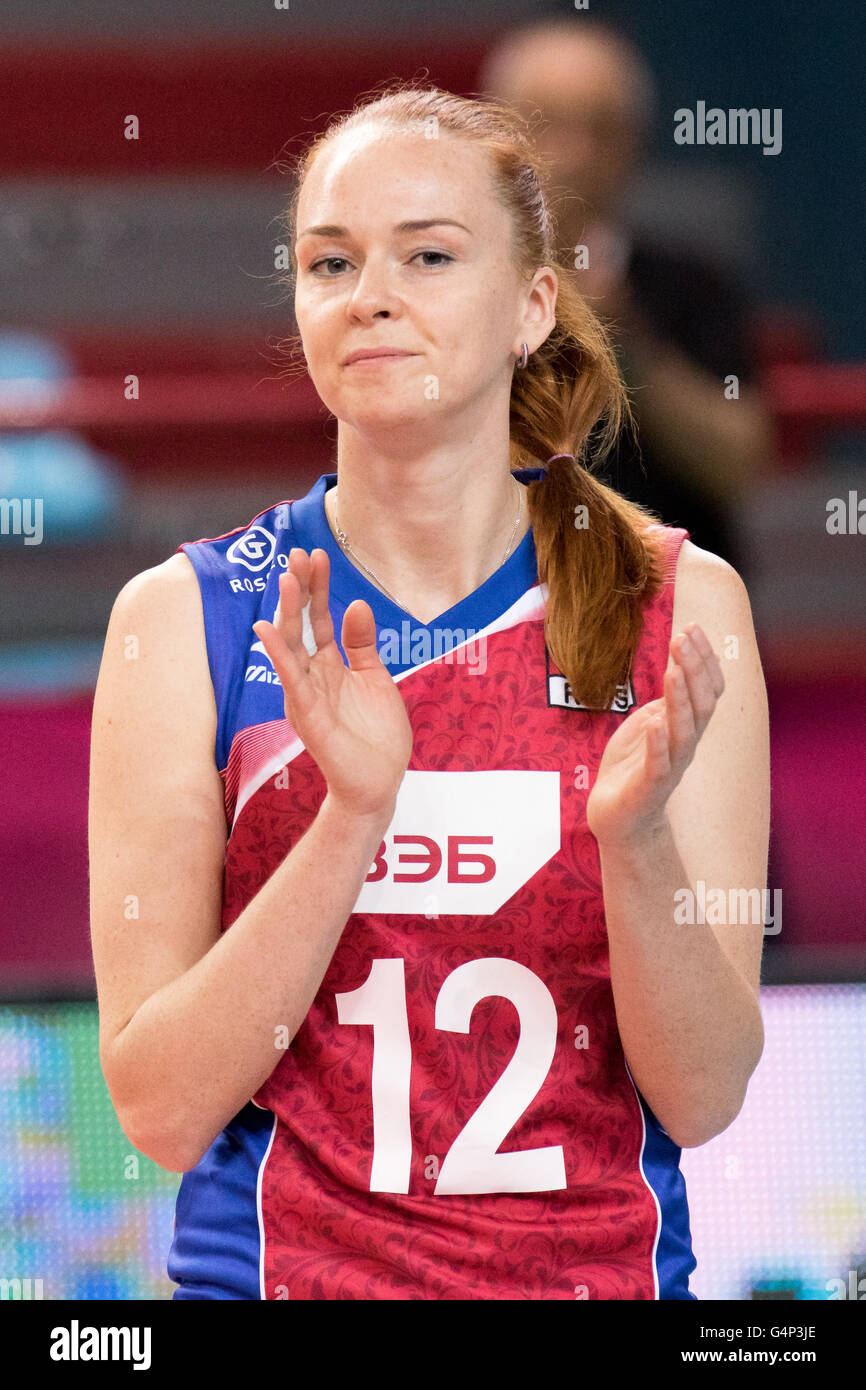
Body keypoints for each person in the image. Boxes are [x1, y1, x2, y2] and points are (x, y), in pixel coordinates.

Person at [88, 83, 769, 1301]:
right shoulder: (188, 616)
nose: (372, 295)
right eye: (329, 261)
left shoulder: (675, 601)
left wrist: (638, 844)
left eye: (430, 255)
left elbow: (704, 1095)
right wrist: (348, 818)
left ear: (531, 307)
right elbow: (158, 1109)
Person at [479, 17, 775, 572]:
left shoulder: (691, 283)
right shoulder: (459, 286)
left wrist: (620, 328)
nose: (576, 153)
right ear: (500, 138)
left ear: (634, 146)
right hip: (503, 601)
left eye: (603, 128)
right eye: (550, 125)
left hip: (669, 601)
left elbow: (737, 459)